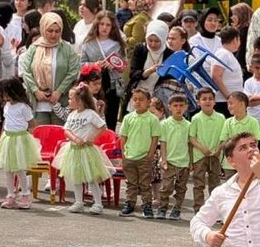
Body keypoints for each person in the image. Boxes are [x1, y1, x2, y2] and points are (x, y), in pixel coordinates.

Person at [54, 84, 111, 215]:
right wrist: (75, 139)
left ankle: (98, 204)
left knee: (90, 178)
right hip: (73, 150)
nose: (68, 101)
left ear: (79, 100)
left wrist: (91, 138)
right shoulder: (72, 115)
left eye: (70, 98)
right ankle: (78, 202)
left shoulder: (90, 114)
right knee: (76, 177)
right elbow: (66, 130)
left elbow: (102, 127)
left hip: (86, 151)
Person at [20, 12, 79, 125]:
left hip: (60, 102)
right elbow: (25, 71)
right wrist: (36, 91)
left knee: (59, 135)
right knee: (40, 135)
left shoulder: (67, 48)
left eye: (57, 31)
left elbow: (73, 71)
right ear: (43, 29)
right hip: (38, 102)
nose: (53, 35)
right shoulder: (34, 48)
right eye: (50, 31)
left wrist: (59, 92)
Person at [0, 77, 42, 210]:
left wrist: (33, 140)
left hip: (20, 140)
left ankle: (25, 195)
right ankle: (10, 195)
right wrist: (2, 135)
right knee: (8, 169)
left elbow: (32, 125)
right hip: (8, 139)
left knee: (20, 169)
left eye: (5, 93)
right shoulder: (7, 106)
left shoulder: (23, 107)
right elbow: (6, 122)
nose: (4, 97)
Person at [119, 88, 161, 218]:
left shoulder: (152, 119)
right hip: (130, 156)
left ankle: (147, 206)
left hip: (144, 157)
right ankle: (130, 204)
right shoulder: (128, 118)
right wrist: (124, 154)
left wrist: (150, 154)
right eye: (135, 99)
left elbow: (155, 137)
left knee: (145, 183)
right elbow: (123, 136)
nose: (137, 102)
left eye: (141, 99)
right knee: (131, 183)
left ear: (148, 102)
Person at [80, 11, 126, 128]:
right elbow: (81, 65)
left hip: (112, 87)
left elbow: (123, 66)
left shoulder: (118, 44)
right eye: (102, 24)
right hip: (93, 86)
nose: (104, 27)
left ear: (113, 27)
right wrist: (95, 65)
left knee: (110, 120)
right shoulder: (88, 43)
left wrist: (114, 66)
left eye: (108, 25)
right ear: (97, 25)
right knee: (93, 119)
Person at [154, 94, 190, 220]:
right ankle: (162, 208)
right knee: (166, 187)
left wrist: (190, 162)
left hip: (184, 161)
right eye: (175, 106)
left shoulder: (188, 125)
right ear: (169, 107)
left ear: (186, 107)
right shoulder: (164, 124)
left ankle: (177, 209)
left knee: (181, 188)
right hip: (169, 161)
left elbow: (190, 144)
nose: (178, 108)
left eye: (181, 106)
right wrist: (163, 160)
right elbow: (163, 143)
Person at [190, 87, 226, 213]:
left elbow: (224, 136)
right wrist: (202, 148)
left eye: (210, 99)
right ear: (198, 102)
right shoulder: (196, 118)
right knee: (198, 184)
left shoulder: (221, 118)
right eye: (204, 99)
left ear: (215, 102)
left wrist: (218, 149)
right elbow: (192, 138)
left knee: (215, 184)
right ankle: (198, 209)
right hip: (200, 156)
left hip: (215, 156)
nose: (207, 101)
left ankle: (214, 211)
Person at [127, 20, 173, 112]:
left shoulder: (169, 54)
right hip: (139, 93)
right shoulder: (140, 49)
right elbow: (133, 73)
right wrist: (148, 71)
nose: (153, 44)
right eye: (150, 40)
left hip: (157, 97)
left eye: (157, 41)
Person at [211, 27, 245, 118]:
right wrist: (228, 96)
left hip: (230, 100)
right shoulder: (223, 54)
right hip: (224, 101)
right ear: (235, 40)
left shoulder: (227, 54)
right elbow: (215, 75)